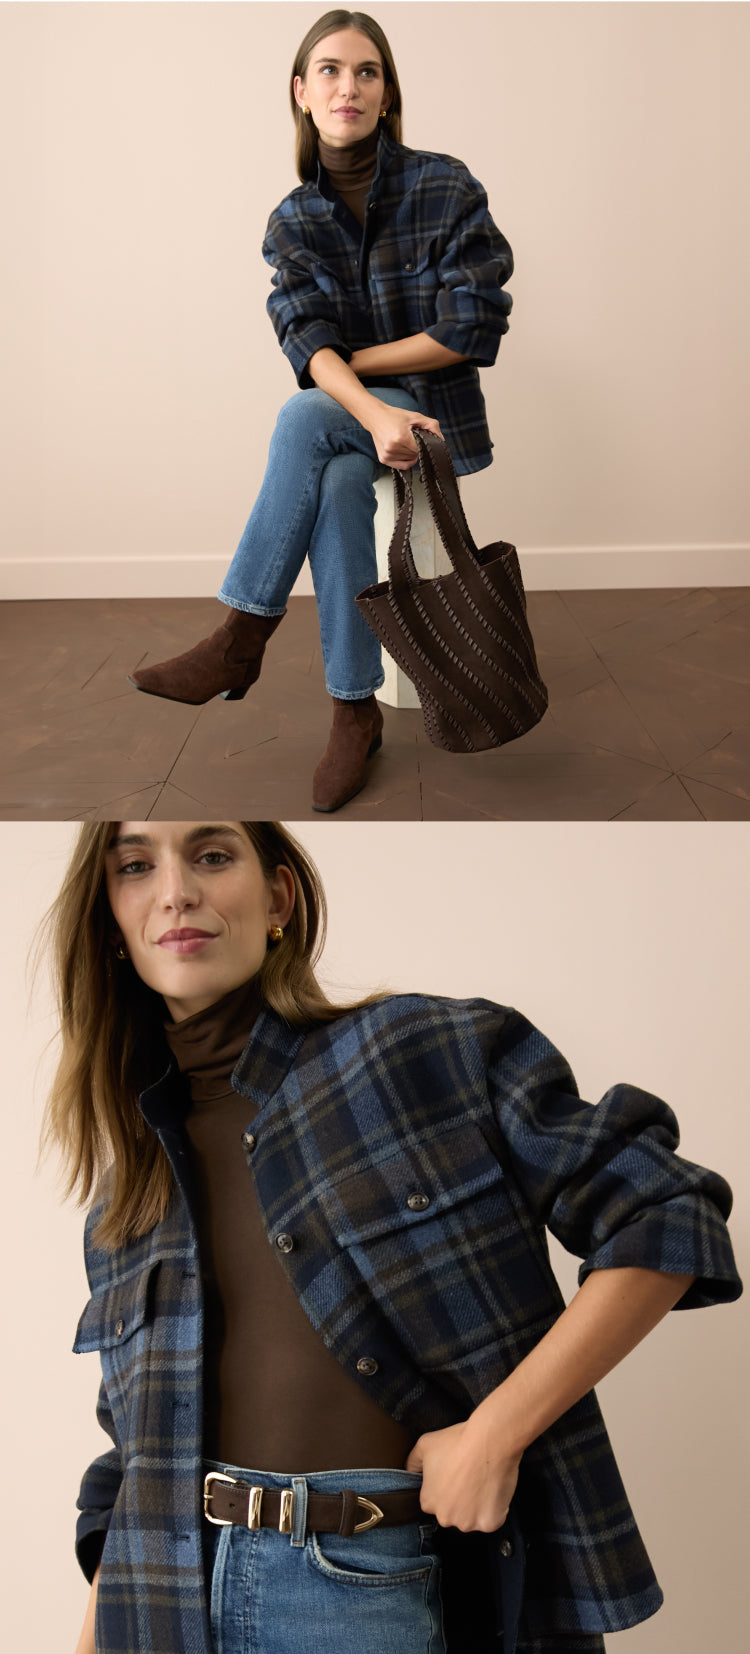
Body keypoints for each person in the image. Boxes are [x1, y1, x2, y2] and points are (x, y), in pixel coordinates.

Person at [42, 820, 741, 1654]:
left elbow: (664, 1212)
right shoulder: (129, 1194)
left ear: (278, 898)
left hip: (370, 1590)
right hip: (157, 1611)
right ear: (111, 924)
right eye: (134, 866)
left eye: (213, 854)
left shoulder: (426, 1052)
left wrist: (496, 1432)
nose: (175, 891)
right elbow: (132, 1466)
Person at [127, 10, 513, 812]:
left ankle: (240, 639)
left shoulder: (444, 184)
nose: (349, 86)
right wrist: (362, 407)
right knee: (336, 476)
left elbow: (468, 327)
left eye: (367, 71)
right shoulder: (293, 219)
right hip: (355, 421)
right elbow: (302, 333)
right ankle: (353, 708)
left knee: (306, 417)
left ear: (386, 91)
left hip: (433, 415)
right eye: (330, 71)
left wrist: (355, 381)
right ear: (301, 94)